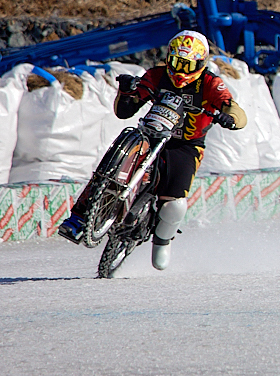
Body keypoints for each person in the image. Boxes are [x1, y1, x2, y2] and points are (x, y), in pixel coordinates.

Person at [58, 31, 247, 270]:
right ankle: (80, 218)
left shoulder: (211, 84)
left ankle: (162, 241)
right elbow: (125, 111)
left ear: (201, 65)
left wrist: (229, 118)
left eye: (188, 66)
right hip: (149, 134)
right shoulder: (156, 75)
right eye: (177, 63)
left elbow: (235, 110)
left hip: (185, 146)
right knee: (115, 158)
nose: (181, 71)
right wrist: (126, 90)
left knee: (174, 204)